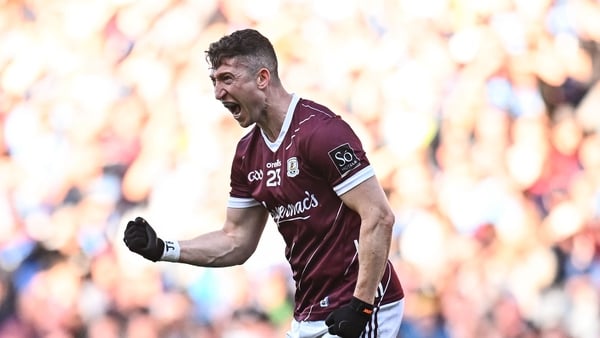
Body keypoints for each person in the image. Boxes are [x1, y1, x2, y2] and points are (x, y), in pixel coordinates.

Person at [123, 28, 404, 338]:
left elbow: (379, 216)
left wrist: (361, 306)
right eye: (214, 81)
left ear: (262, 78)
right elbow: (236, 239)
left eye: (227, 79)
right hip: (310, 313)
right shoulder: (247, 154)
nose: (218, 93)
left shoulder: (321, 132)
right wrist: (164, 248)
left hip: (360, 306)